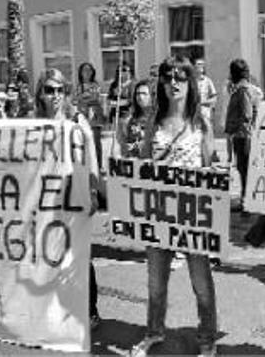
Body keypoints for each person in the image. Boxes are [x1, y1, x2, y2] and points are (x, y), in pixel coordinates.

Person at [131, 56, 217, 357]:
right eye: (168, 77)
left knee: (201, 283)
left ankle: (207, 338)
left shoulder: (201, 121)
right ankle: (154, 332)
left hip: (192, 216)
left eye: (180, 77)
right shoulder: (154, 121)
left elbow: (209, 168)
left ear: (190, 82)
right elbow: (143, 163)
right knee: (156, 282)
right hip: (158, 215)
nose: (173, 83)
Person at [34, 68, 104, 331]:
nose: (54, 95)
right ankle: (56, 306)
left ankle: (90, 309)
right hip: (45, 198)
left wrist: (94, 190)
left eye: (59, 90)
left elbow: (91, 156)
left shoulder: (77, 119)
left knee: (80, 254)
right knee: (49, 252)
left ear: (65, 92)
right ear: (40, 93)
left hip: (74, 195)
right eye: (48, 90)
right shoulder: (34, 122)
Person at [224, 58, 258, 210]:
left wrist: (234, 129)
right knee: (242, 168)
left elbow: (247, 114)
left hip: (243, 135)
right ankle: (246, 199)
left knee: (244, 169)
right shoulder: (241, 89)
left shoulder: (243, 91)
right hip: (241, 134)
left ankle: (247, 201)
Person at [74, 62, 106, 168]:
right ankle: (86, 165)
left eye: (89, 70)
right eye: (84, 70)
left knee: (96, 141)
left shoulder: (95, 85)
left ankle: (99, 165)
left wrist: (84, 97)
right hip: (83, 117)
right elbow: (76, 99)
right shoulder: (79, 86)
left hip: (95, 117)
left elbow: (96, 97)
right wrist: (86, 97)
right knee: (83, 142)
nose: (87, 73)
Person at [117, 80, 153, 158]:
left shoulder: (157, 118)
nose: (140, 97)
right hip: (135, 161)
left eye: (144, 94)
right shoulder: (130, 119)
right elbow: (124, 141)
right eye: (138, 94)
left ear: (152, 96)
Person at [194, 56, 218, 125]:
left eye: (202, 64)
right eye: (198, 64)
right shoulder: (191, 81)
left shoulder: (208, 81)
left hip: (205, 113)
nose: (201, 66)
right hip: (193, 114)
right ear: (194, 66)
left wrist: (203, 102)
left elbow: (214, 98)